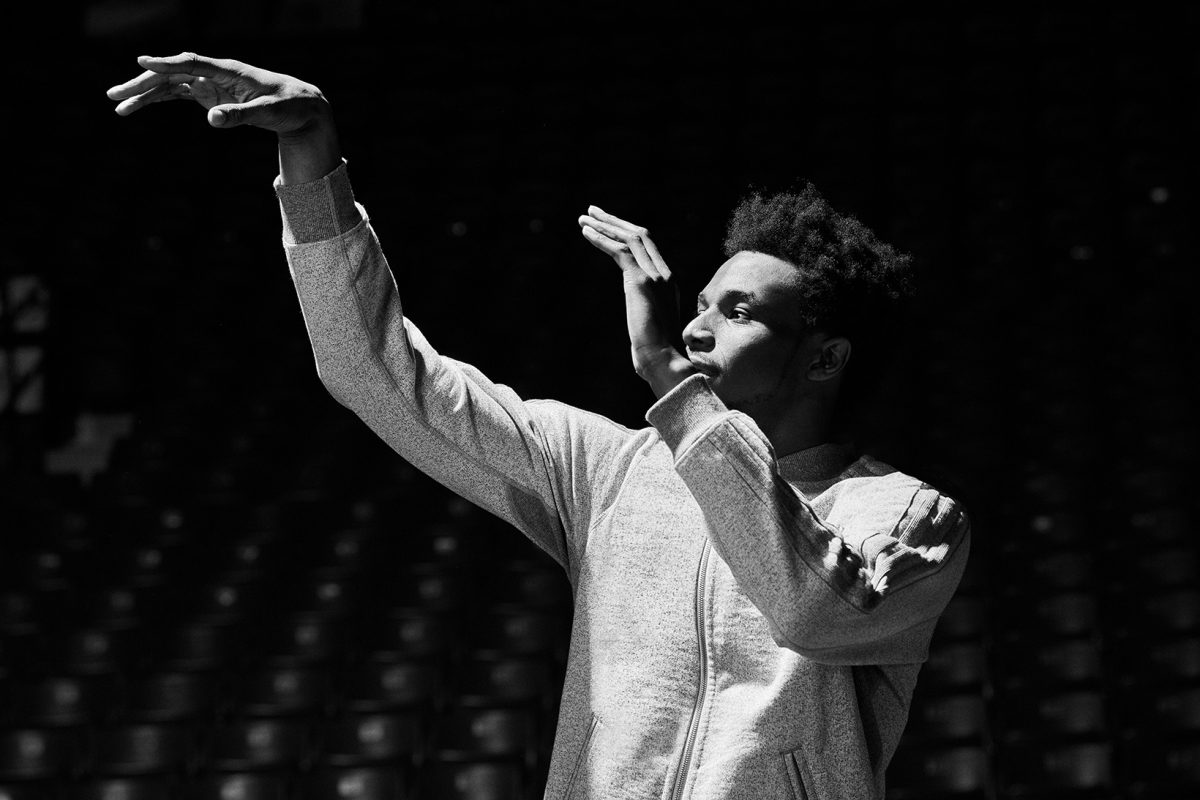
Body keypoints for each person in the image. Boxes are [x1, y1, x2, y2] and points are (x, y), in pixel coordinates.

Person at [108, 53, 971, 800]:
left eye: (738, 312)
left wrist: (673, 385)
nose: (696, 328)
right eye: (701, 303)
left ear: (825, 359)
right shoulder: (609, 471)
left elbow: (814, 612)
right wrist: (311, 161)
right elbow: (373, 373)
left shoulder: (907, 518)